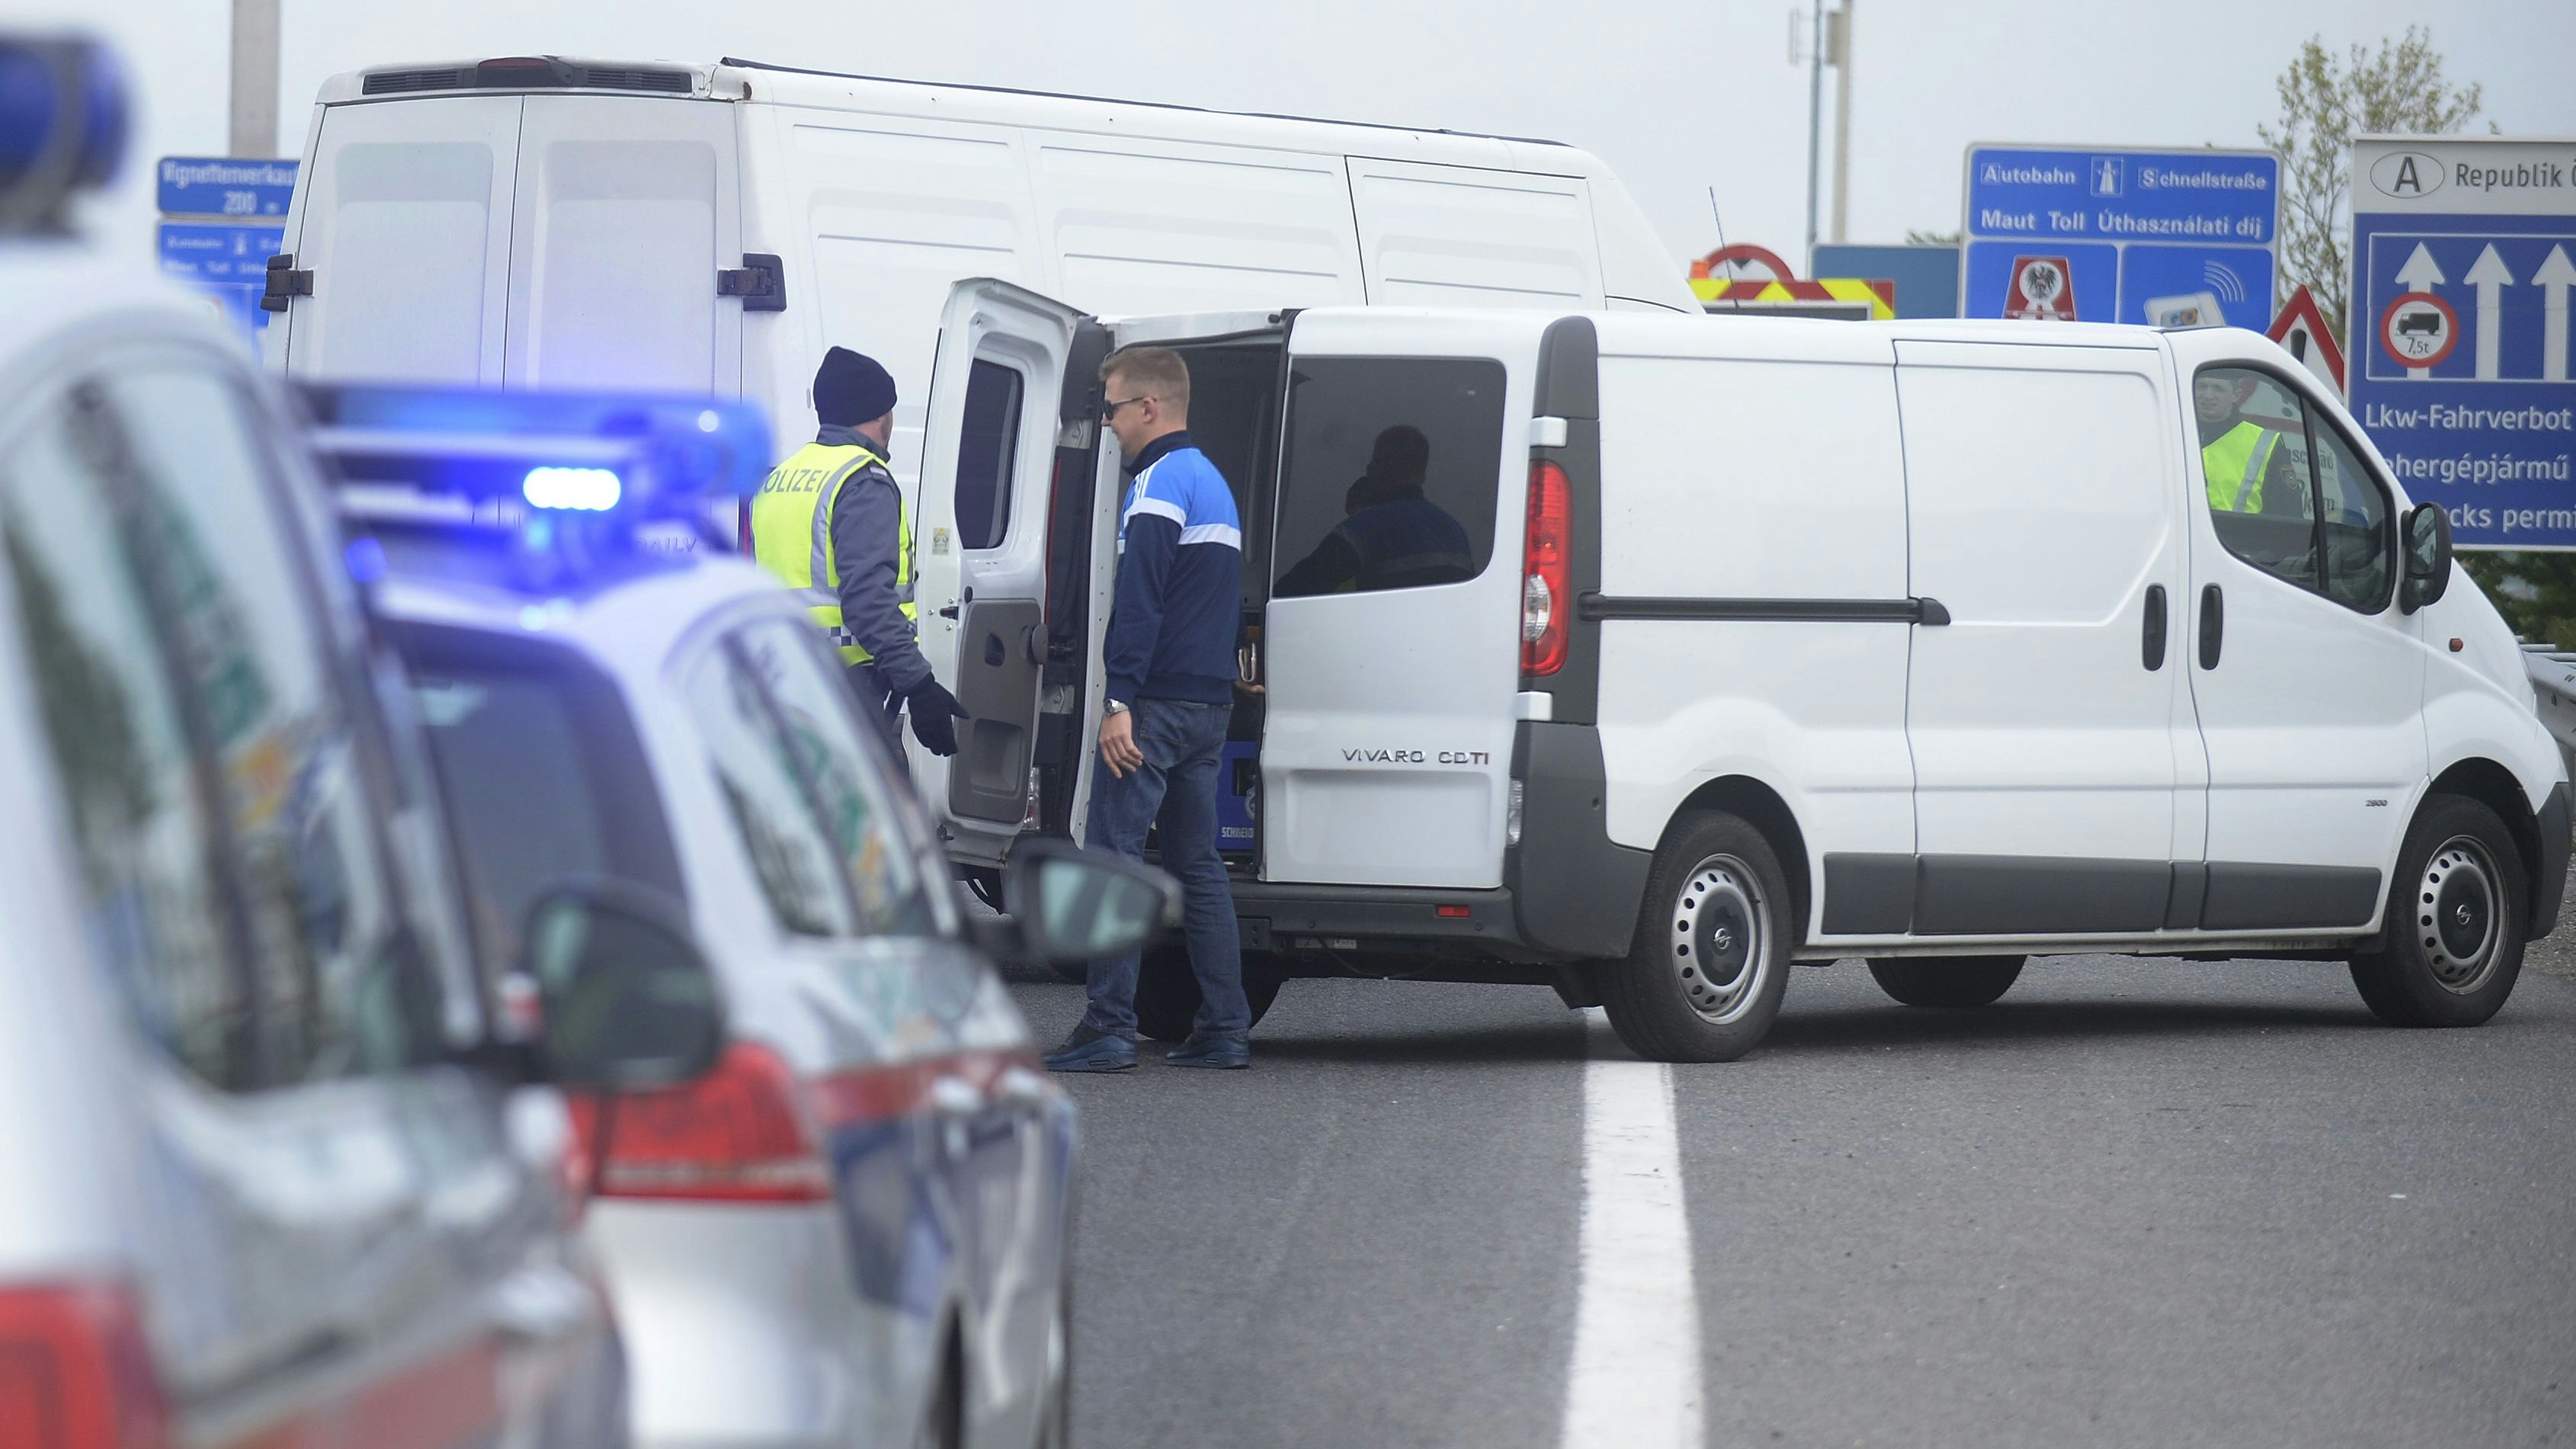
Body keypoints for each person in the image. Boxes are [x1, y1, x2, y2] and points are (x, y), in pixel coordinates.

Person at [1044, 345, 1252, 1072]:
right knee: (1199, 866)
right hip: (1205, 708)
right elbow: (1213, 601)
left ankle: (1108, 1027)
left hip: (1154, 705)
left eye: (1111, 409)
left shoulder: (1160, 483)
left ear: (1149, 407)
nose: (1106, 424)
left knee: (1114, 858)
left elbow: (1141, 602)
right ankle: (1225, 1026)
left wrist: (1118, 700)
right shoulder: (1215, 484)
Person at [751, 347, 968, 758]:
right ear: (882, 414)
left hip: (787, 682)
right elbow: (868, 601)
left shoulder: (779, 479)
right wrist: (919, 685)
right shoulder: (862, 479)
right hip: (848, 689)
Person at [1275, 424, 1475, 595]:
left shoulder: (1367, 527)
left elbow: (1301, 586)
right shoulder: (1454, 530)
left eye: (1373, 462)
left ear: (1383, 466)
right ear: (1422, 474)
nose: (1369, 469)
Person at [2195, 371, 2299, 516]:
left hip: (2235, 537)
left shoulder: (2265, 442)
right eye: (2201, 386)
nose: (2207, 395)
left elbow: (2289, 512)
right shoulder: (2169, 430)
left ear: (2236, 395)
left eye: (2218, 389)